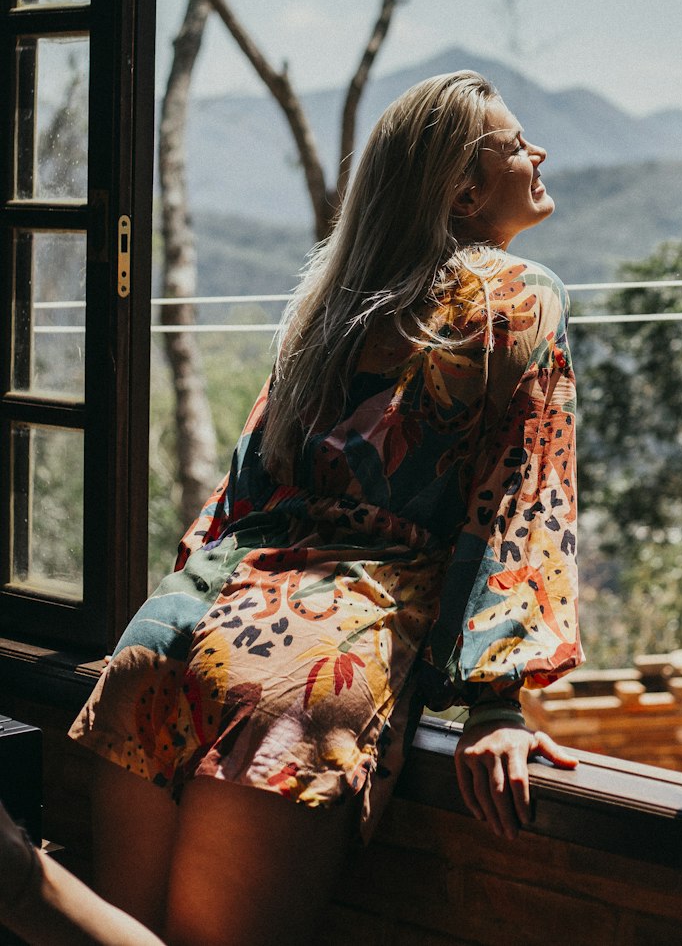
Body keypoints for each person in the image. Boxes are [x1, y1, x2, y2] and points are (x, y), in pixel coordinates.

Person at [1, 71, 581, 946]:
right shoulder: (518, 296)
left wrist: (184, 604)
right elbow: (522, 499)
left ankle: (22, 888)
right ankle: (17, 884)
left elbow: (246, 486)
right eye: (515, 144)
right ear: (464, 189)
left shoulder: (329, 303)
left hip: (175, 632)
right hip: (316, 652)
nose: (537, 154)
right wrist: (496, 700)